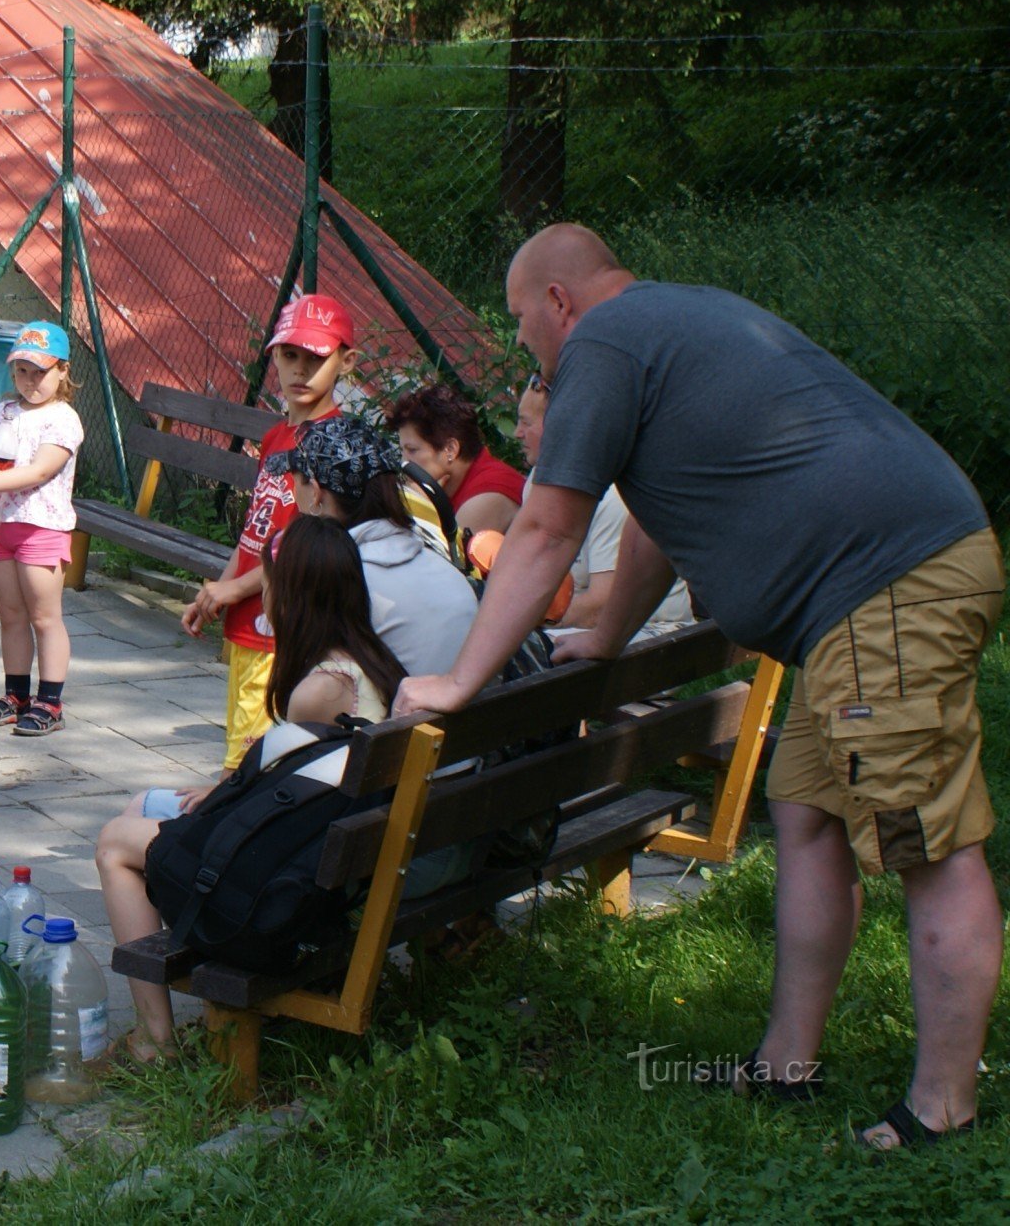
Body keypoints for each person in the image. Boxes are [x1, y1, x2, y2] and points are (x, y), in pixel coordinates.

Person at [394, 223, 1003, 1150]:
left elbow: (548, 529)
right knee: (806, 815)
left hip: (886, 585)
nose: (533, 356)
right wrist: (603, 633)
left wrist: (459, 678)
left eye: (524, 329)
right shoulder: (674, 320)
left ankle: (944, 1107)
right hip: (859, 603)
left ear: (558, 301)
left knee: (926, 842)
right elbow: (654, 526)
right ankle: (784, 1064)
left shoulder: (602, 343)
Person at [95, 515, 411, 1060]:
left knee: (114, 842)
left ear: (291, 597)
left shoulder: (320, 689)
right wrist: (219, 791)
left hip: (284, 879)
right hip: (327, 850)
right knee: (142, 807)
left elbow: (275, 799)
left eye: (267, 586)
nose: (262, 601)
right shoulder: (371, 662)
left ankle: (155, 1038)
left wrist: (220, 800)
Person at [181, 292, 354, 777]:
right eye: (289, 355)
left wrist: (235, 588)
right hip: (246, 618)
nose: (300, 370)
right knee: (241, 742)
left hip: (283, 625)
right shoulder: (279, 436)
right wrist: (216, 588)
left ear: (347, 361)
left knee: (249, 762)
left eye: (316, 358)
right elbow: (258, 529)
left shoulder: (332, 444)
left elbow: (305, 544)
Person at [268, 414, 479, 681]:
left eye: (295, 481)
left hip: (397, 720)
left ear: (317, 492)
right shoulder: (434, 558)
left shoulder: (339, 577)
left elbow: (309, 685)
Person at [0, 321, 84, 737]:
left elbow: (39, 470)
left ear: (63, 371)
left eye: (40, 371)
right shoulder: (4, 411)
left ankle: (50, 702)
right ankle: (16, 696)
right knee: (11, 615)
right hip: (0, 528)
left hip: (41, 528)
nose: (30, 381)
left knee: (45, 617)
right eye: (22, 371)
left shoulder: (63, 419)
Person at [511, 374, 691, 638]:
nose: (517, 433)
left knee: (526, 652)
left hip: (654, 631)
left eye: (526, 422)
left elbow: (601, 606)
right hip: (585, 628)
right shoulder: (537, 482)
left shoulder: (612, 494)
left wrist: (524, 619)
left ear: (559, 425)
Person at [387, 383, 526, 535]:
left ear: (450, 449)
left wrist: (420, 508)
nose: (404, 462)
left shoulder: (485, 496)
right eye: (403, 451)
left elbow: (446, 558)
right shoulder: (459, 484)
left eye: (412, 450)